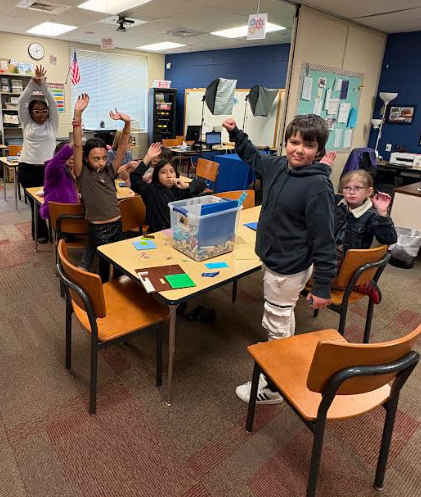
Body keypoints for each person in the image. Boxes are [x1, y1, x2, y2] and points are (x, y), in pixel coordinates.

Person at [222, 114, 337, 405]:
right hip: (276, 258)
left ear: (319, 151)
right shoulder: (276, 166)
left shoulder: (318, 188)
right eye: (294, 142)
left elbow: (325, 241)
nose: (298, 150)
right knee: (283, 315)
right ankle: (287, 356)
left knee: (275, 321)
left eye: (308, 145)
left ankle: (272, 388)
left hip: (288, 266)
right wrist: (237, 133)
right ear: (286, 142)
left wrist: (323, 287)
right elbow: (252, 156)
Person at [72, 93, 133, 282]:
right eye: (95, 158)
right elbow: (76, 144)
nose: (100, 162)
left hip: (117, 223)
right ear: (86, 159)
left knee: (120, 261)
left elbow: (122, 149)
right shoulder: (83, 173)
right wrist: (78, 114)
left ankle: (122, 291)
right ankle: (106, 291)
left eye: (103, 158)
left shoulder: (110, 171)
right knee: (105, 264)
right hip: (98, 227)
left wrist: (127, 124)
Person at [334, 170, 397, 301]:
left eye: (357, 188)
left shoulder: (372, 215)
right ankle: (355, 283)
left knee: (300, 272)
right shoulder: (338, 203)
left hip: (346, 262)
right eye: (347, 188)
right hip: (328, 251)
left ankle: (355, 283)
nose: (351, 192)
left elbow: (389, 239)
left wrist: (383, 213)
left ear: (369, 192)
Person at [18, 65, 59, 243]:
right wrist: (33, 83)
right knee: (36, 203)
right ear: (30, 113)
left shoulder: (52, 123)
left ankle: (60, 232)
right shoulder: (26, 123)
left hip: (48, 170)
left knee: (50, 202)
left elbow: (53, 102)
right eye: (36, 111)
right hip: (27, 169)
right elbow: (21, 102)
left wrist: (42, 84)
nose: (41, 114)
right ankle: (40, 233)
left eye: (44, 111)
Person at [130, 158, 207, 233]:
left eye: (172, 171)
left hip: (179, 233)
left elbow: (202, 185)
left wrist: (186, 185)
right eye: (163, 172)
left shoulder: (179, 188)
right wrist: (148, 157)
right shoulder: (151, 190)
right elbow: (135, 178)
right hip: (158, 234)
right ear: (157, 176)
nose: (169, 175)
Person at [39, 142, 78, 220]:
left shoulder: (74, 170)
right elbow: (53, 165)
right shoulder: (56, 170)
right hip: (59, 214)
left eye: (74, 154)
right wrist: (74, 142)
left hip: (72, 212)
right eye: (69, 154)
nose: (72, 157)